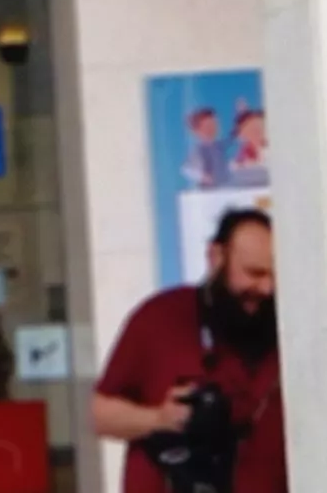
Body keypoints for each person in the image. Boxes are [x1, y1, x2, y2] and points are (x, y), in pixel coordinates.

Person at [92, 208, 284, 493]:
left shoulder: (290, 329)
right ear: (216, 257)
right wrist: (158, 419)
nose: (266, 288)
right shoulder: (161, 317)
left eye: (275, 275)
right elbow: (96, 413)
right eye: (253, 273)